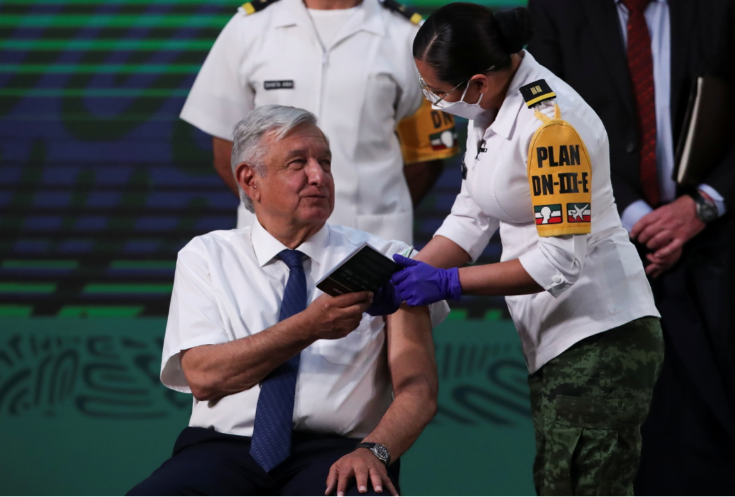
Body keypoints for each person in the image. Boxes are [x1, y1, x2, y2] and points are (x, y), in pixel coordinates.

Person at [387, 4, 664, 495]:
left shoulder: (553, 127)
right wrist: (402, 277)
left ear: (478, 82)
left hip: (600, 337)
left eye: (438, 91)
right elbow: (472, 214)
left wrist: (448, 283)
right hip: (556, 337)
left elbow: (559, 259)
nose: (433, 102)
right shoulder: (489, 109)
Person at [128, 105, 447, 496]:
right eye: (298, 163)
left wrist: (376, 452)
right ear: (250, 180)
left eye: (325, 163)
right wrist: (310, 325)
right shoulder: (207, 255)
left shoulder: (386, 259)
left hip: (341, 452)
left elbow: (419, 390)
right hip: (221, 451)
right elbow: (204, 377)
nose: (318, 176)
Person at [526, 0, 735, 493]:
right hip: (607, 251)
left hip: (719, 241)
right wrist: (639, 219)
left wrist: (701, 205)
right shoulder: (554, 12)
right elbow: (547, 124)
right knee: (630, 447)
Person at [180, 0, 459, 244]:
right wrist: (277, 209)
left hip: (374, 239)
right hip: (272, 239)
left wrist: (372, 208)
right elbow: (226, 150)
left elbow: (427, 156)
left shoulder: (408, 35)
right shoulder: (248, 28)